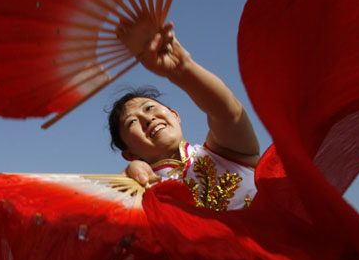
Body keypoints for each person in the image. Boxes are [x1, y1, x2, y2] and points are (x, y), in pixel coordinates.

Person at [109, 20, 260, 210]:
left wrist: (182, 68)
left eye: (149, 108)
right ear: (129, 154)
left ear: (175, 115)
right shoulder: (138, 196)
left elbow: (229, 113)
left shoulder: (224, 152)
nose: (148, 119)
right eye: (132, 122)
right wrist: (128, 192)